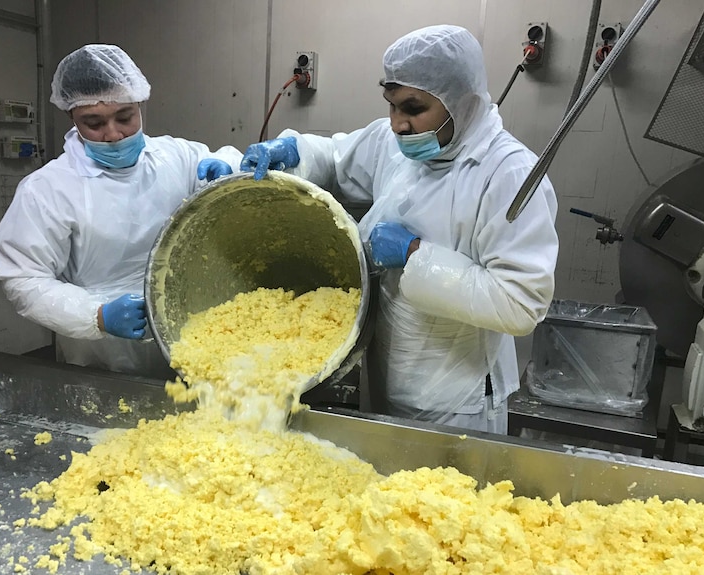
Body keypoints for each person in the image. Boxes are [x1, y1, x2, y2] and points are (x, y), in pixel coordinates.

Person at [237, 25, 558, 433]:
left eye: (413, 108)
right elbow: (337, 158)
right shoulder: (399, 145)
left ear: (462, 103)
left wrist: (415, 255)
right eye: (392, 105)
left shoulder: (509, 174)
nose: (397, 124)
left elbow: (521, 302)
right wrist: (294, 151)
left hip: (455, 399)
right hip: (386, 370)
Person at [0, 44, 241, 376]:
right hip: (99, 352)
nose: (113, 134)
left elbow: (232, 165)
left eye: (125, 117)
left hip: (185, 334)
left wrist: (227, 167)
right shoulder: (47, 190)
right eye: (93, 123)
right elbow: (22, 278)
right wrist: (96, 315)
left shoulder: (176, 157)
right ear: (71, 116)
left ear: (140, 105)